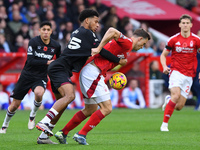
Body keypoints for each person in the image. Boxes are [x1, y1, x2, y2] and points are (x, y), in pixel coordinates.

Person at [35, 9, 127, 139]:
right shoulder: (88, 33)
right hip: (60, 68)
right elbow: (100, 51)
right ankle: (44, 121)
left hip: (60, 67)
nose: (97, 25)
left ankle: (43, 137)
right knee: (70, 96)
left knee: (62, 103)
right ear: (87, 20)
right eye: (95, 22)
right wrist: (119, 60)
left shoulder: (77, 32)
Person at [53, 28, 150, 145]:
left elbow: (110, 55)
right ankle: (81, 134)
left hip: (91, 72)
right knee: (107, 108)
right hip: (93, 72)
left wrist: (118, 62)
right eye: (143, 44)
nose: (142, 47)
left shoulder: (126, 48)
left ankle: (63, 133)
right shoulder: (128, 42)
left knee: (91, 109)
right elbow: (111, 30)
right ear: (139, 39)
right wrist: (99, 48)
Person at [0, 21, 61, 143]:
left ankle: (32, 116)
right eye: (43, 29)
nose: (45, 32)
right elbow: (31, 60)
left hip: (41, 76)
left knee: (39, 93)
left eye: (48, 30)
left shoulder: (56, 46)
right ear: (39, 31)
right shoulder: (33, 42)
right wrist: (47, 62)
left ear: (51, 31)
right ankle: (5, 125)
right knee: (14, 105)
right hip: (26, 76)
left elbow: (59, 61)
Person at [160, 14, 200, 132]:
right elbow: (163, 55)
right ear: (180, 25)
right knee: (176, 95)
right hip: (176, 72)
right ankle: (164, 125)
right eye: (183, 23)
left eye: (187, 23)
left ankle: (168, 100)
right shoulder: (173, 39)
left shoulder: (196, 40)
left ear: (191, 25)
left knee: (179, 106)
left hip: (189, 76)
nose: (185, 25)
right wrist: (163, 66)